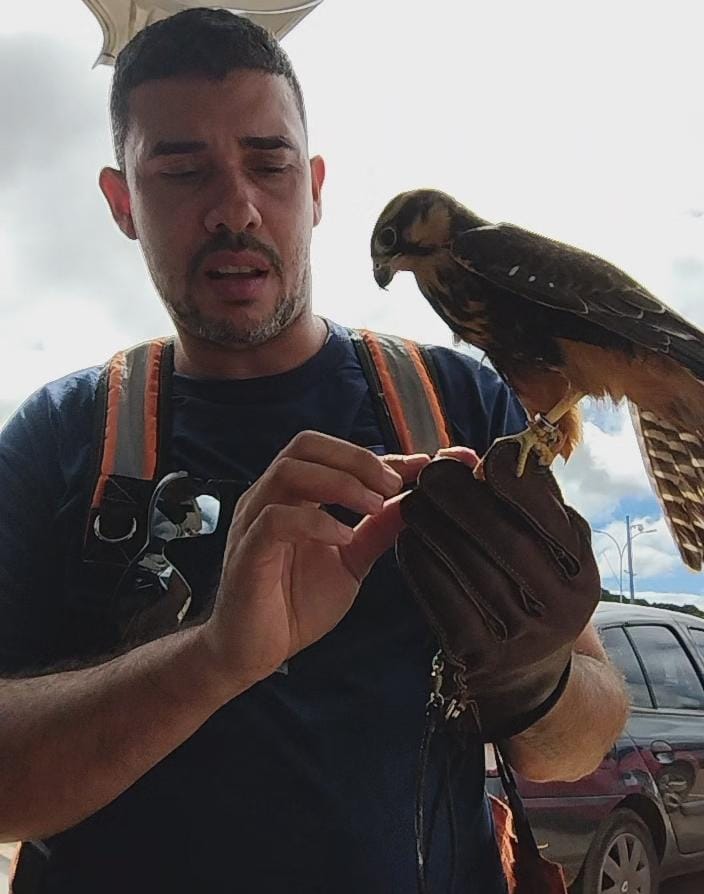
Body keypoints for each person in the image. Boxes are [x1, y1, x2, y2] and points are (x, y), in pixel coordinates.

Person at [0, 9, 628, 893]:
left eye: (270, 163)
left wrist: (534, 675)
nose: (236, 208)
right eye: (182, 170)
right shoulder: (61, 437)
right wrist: (215, 657)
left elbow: (582, 742)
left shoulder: (458, 405)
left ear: (317, 186)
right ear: (122, 203)